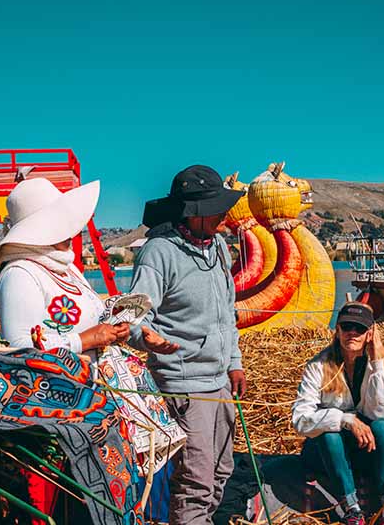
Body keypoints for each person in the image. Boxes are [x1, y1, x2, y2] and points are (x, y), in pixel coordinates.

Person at [126, 164, 246, 525]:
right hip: (184, 385)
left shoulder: (219, 247)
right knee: (197, 481)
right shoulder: (159, 253)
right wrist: (148, 338)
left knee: (223, 470)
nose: (224, 216)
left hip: (220, 381)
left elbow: (227, 310)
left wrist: (234, 362)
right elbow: (133, 316)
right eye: (216, 209)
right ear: (192, 214)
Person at [0, 176, 129, 358]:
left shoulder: (67, 268)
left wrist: (113, 330)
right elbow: (17, 347)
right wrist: (85, 340)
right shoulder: (20, 275)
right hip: (54, 384)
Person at [292, 301, 384, 525]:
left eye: (359, 328)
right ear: (337, 330)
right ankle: (352, 508)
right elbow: (300, 420)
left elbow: (382, 412)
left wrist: (377, 362)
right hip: (328, 453)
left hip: (364, 448)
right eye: (346, 326)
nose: (352, 333)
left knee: (383, 428)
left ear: (370, 334)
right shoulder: (318, 366)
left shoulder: (379, 365)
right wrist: (345, 420)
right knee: (330, 436)